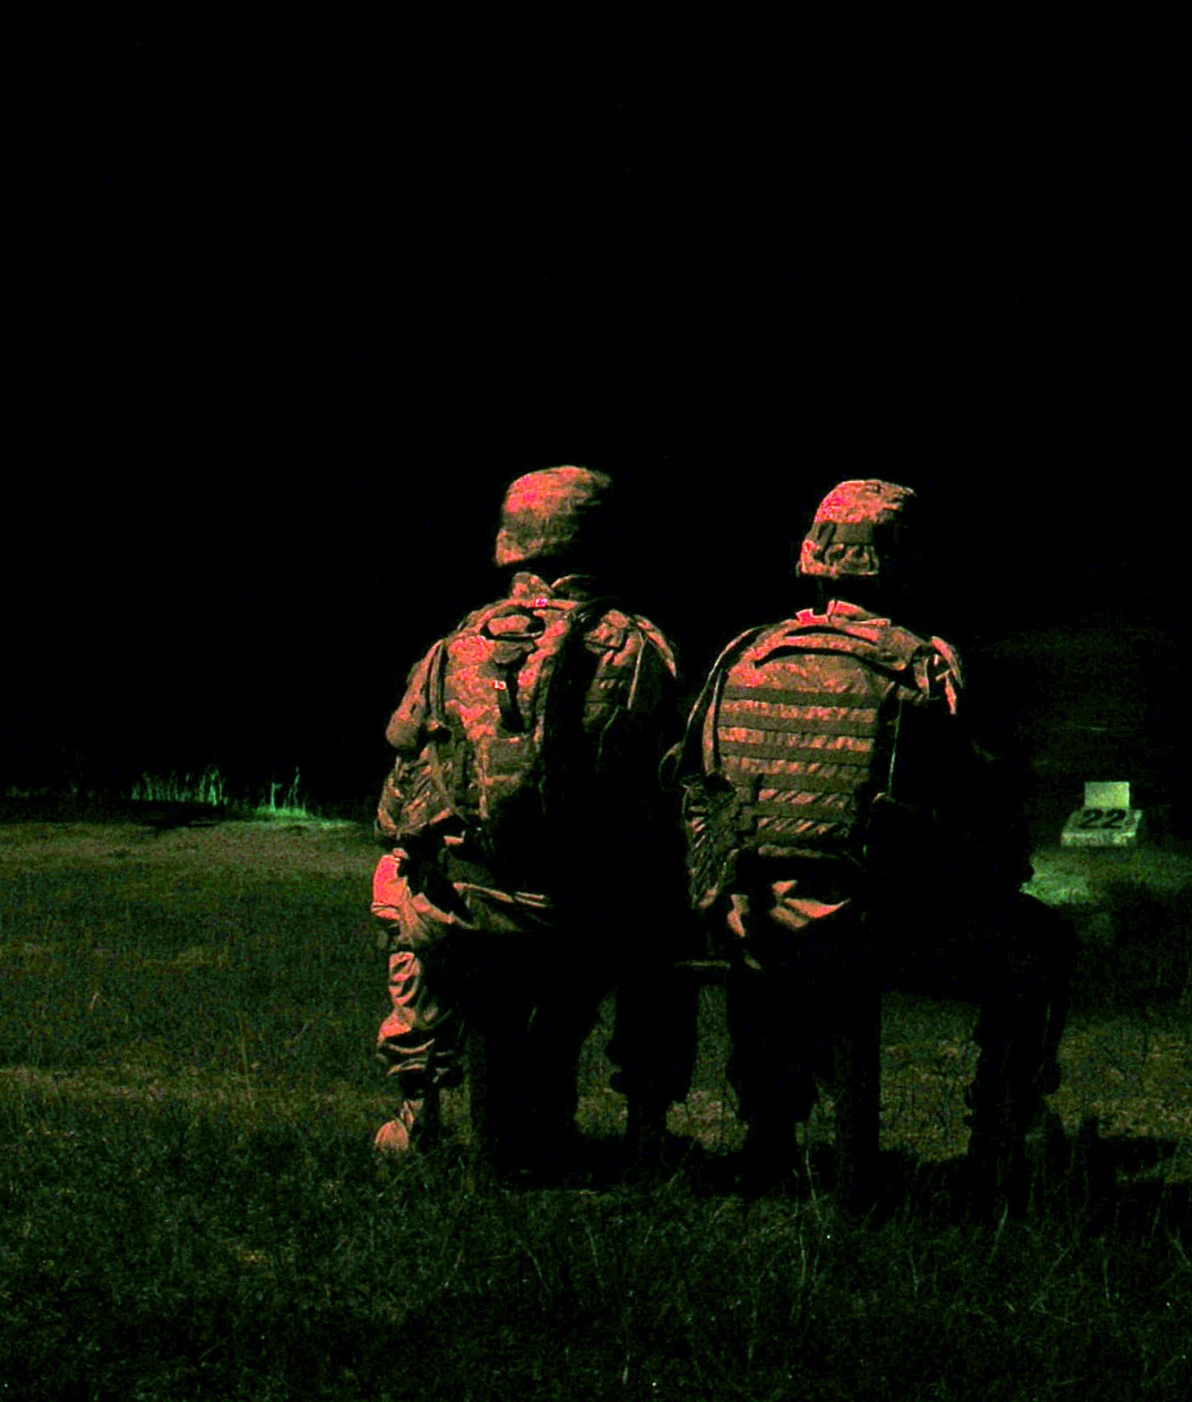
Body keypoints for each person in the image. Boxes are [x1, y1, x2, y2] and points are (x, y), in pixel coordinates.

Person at [668, 479, 1072, 1203]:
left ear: (818, 556)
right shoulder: (924, 664)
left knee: (764, 923)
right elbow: (978, 818)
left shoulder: (744, 655)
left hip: (748, 921)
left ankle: (770, 1136)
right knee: (1040, 942)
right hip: (873, 925)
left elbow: (696, 787)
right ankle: (995, 1149)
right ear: (904, 559)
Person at [367, 466, 697, 1177]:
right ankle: (646, 1129)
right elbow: (674, 793)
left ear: (511, 543)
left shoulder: (454, 646)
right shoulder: (639, 647)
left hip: (470, 910)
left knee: (397, 877)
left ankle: (417, 1107)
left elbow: (399, 804)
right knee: (673, 908)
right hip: (592, 917)